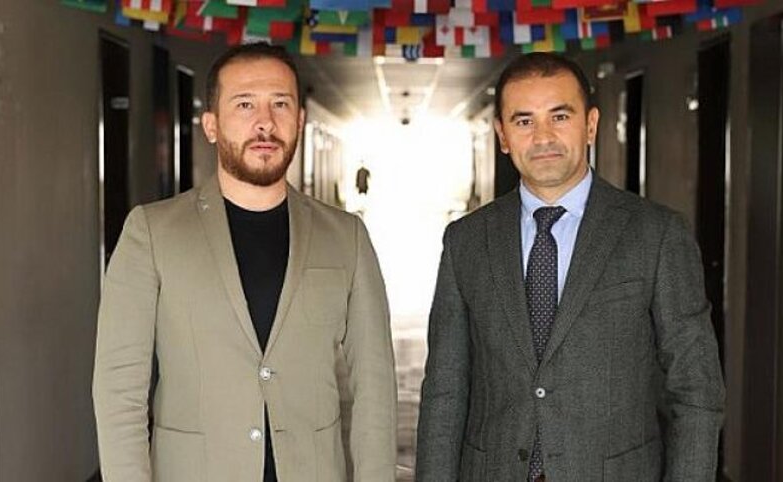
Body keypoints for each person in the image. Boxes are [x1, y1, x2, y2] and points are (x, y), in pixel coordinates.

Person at [93, 42, 396, 482]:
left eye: (280, 104)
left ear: (300, 121)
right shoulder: (152, 233)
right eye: (245, 104)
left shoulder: (346, 237)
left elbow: (375, 385)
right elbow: (119, 388)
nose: (265, 122)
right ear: (211, 125)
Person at [415, 52, 724, 481]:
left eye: (560, 117)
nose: (543, 137)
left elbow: (696, 388)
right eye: (524, 121)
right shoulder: (466, 241)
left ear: (590, 125)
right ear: (503, 135)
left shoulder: (656, 234)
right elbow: (445, 390)